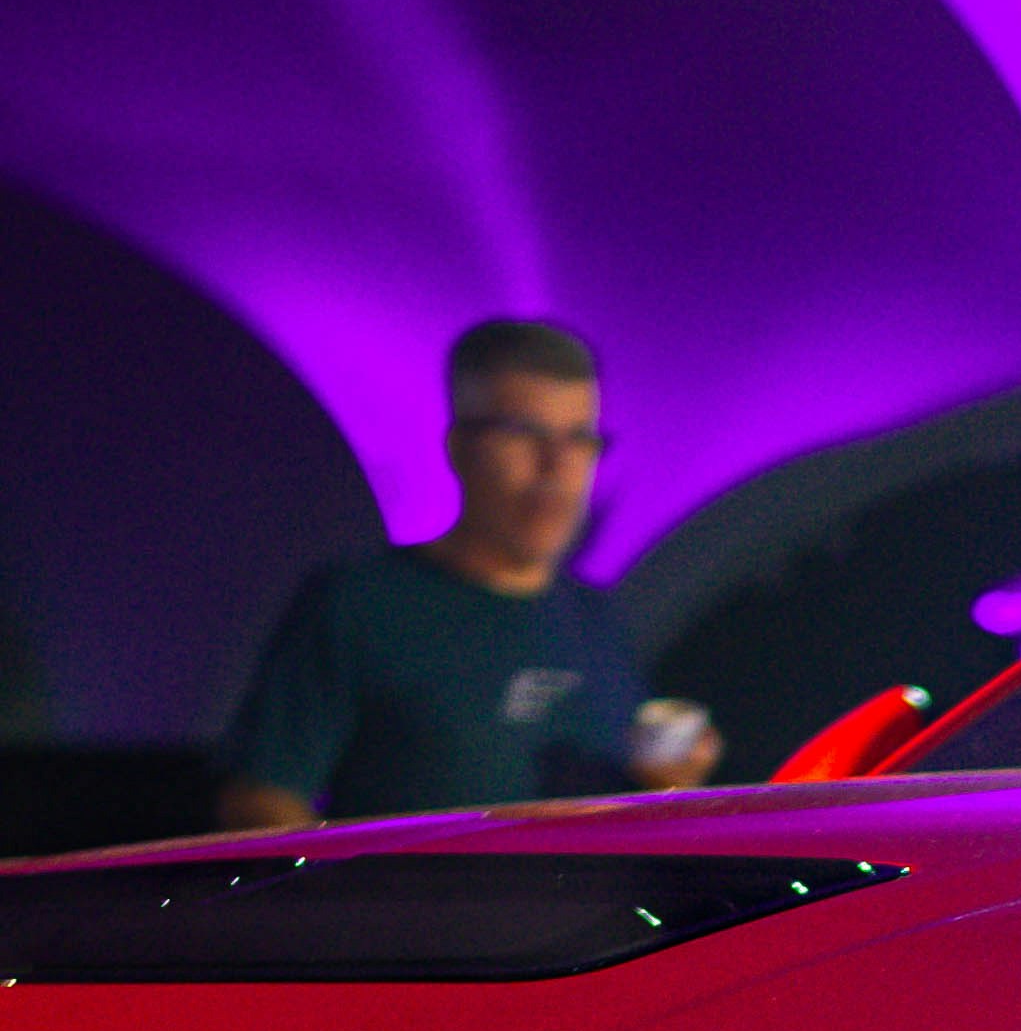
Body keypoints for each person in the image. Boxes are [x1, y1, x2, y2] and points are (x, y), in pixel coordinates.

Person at [216, 319, 720, 828]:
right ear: (460, 447)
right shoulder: (362, 603)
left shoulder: (597, 617)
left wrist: (667, 786)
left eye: (578, 439)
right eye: (526, 433)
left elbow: (619, 808)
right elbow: (261, 803)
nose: (555, 466)